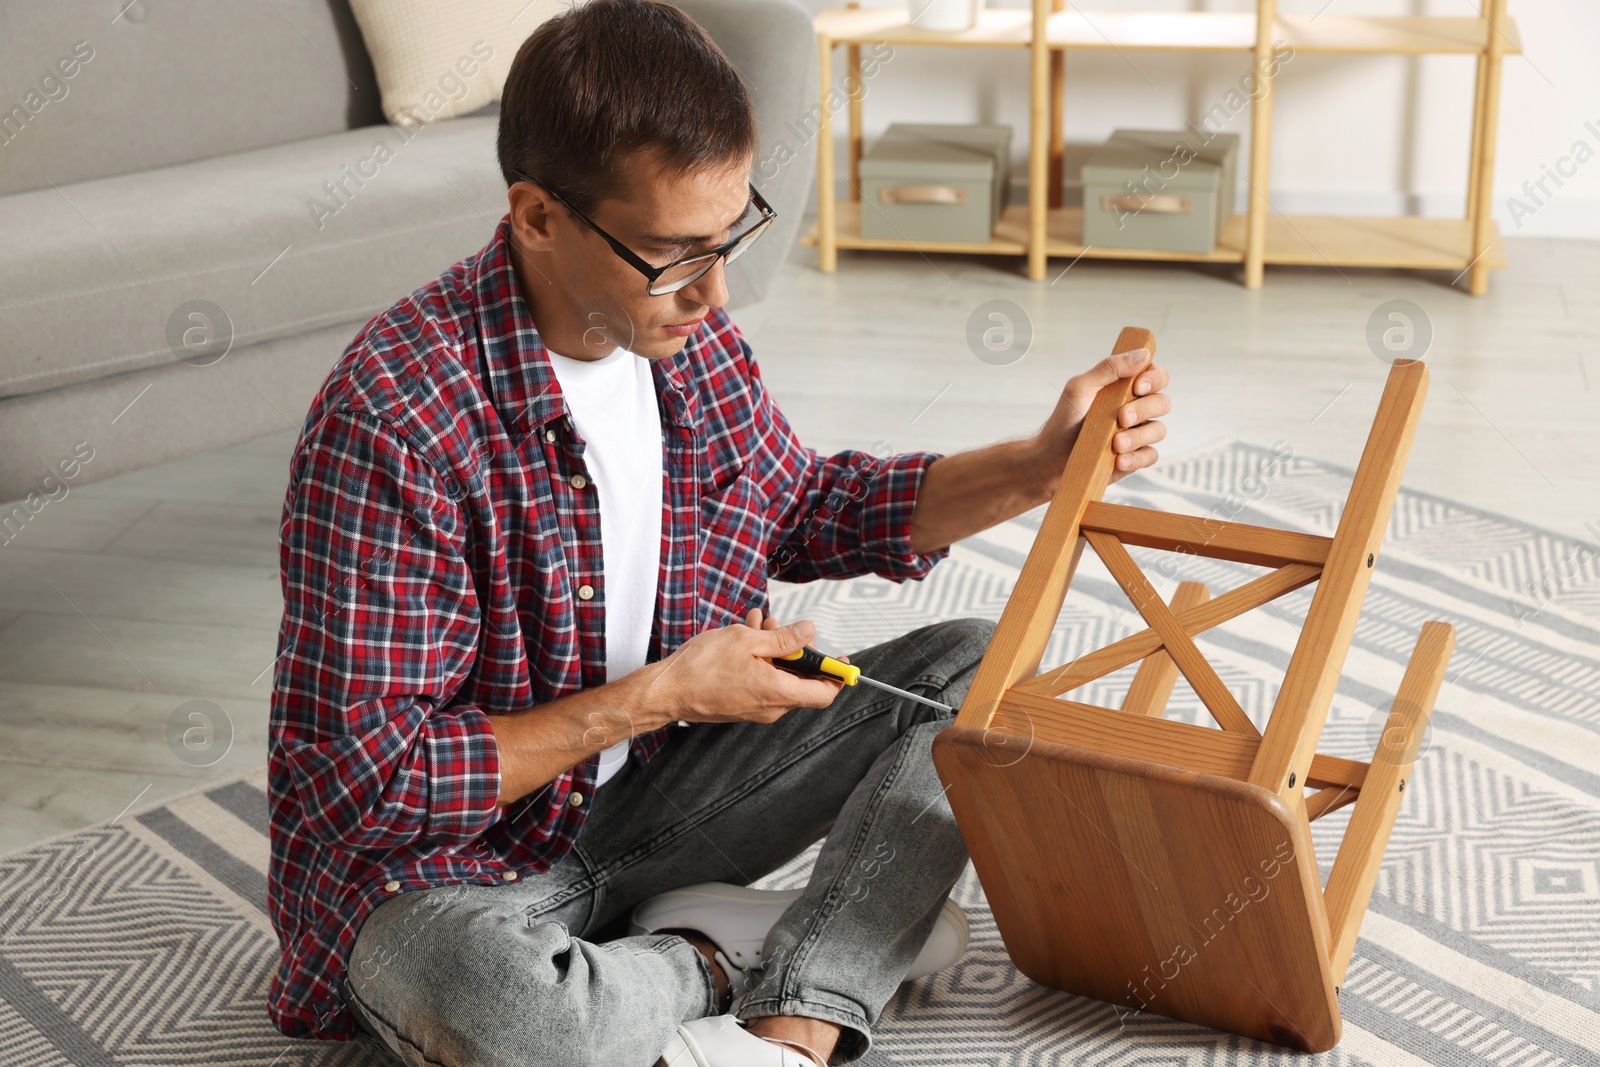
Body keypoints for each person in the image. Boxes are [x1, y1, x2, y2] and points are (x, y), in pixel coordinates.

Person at [265, 1, 1171, 1064]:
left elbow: (807, 505)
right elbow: (360, 782)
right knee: (514, 1013)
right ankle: (726, 952)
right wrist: (665, 693)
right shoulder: (396, 418)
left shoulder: (684, 340)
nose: (716, 289)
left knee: (979, 666)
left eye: (731, 233)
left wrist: (1035, 463)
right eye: (672, 251)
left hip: (652, 805)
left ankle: (796, 1023)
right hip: (441, 875)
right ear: (538, 216)